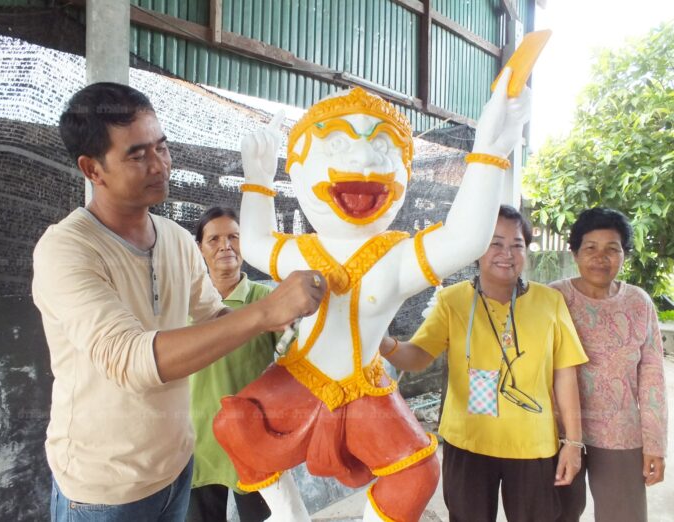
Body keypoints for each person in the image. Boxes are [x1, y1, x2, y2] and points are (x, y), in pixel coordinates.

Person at [213, 68, 533, 522]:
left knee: (417, 474)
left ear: (403, 170)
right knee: (234, 424)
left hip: (364, 388)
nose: (364, 164)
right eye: (339, 146)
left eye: (383, 148)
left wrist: (489, 152)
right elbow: (257, 243)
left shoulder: (398, 255)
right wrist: (259, 181)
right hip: (300, 377)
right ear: (299, 170)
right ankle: (290, 514)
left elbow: (465, 239)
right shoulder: (303, 251)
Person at [32, 82, 325, 522]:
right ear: (92, 169)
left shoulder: (173, 238)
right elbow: (130, 359)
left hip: (176, 466)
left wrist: (289, 327)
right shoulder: (67, 249)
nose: (160, 165)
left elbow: (213, 314)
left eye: (162, 148)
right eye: (137, 155)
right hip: (105, 490)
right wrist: (265, 311)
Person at [379, 205, 589, 522]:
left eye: (516, 244)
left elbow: (565, 375)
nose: (507, 253)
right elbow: (419, 356)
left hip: (532, 444)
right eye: (495, 243)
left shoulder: (550, 302)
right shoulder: (453, 301)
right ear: (477, 250)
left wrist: (573, 443)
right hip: (468, 441)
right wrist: (383, 343)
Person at [550, 207, 668, 522]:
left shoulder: (639, 302)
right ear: (574, 252)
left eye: (612, 250)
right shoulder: (553, 299)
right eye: (590, 248)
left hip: (621, 433)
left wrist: (655, 443)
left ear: (624, 255)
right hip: (558, 432)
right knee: (556, 513)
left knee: (624, 516)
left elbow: (653, 377)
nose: (601, 258)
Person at [187, 206, 273, 522]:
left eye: (234, 237)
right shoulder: (183, 301)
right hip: (197, 444)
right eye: (214, 239)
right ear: (199, 248)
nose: (226, 246)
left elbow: (295, 358)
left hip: (256, 441)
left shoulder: (266, 301)